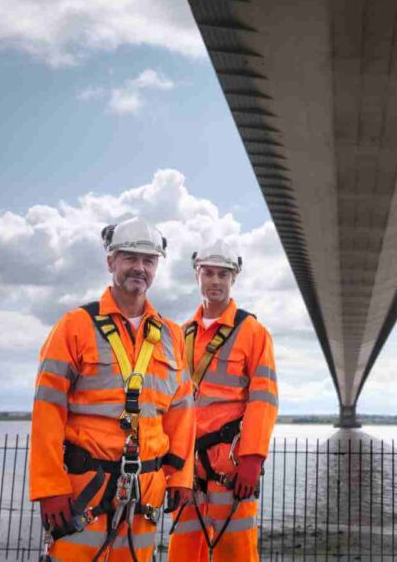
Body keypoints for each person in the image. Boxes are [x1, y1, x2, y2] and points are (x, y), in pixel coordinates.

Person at [29, 217, 195, 562]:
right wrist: (49, 487)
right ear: (110, 262)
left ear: (157, 267)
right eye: (129, 258)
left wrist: (180, 476)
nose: (139, 268)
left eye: (148, 261)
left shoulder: (171, 335)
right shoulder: (75, 326)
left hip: (146, 492)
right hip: (84, 489)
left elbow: (181, 412)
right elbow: (48, 409)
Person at [168, 240, 278, 562]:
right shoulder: (180, 333)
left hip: (229, 465)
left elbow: (264, 399)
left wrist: (253, 459)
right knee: (183, 552)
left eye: (223, 275)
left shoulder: (252, 332)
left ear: (234, 279)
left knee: (236, 553)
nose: (215, 281)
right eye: (209, 273)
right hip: (186, 465)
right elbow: (169, 401)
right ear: (197, 276)